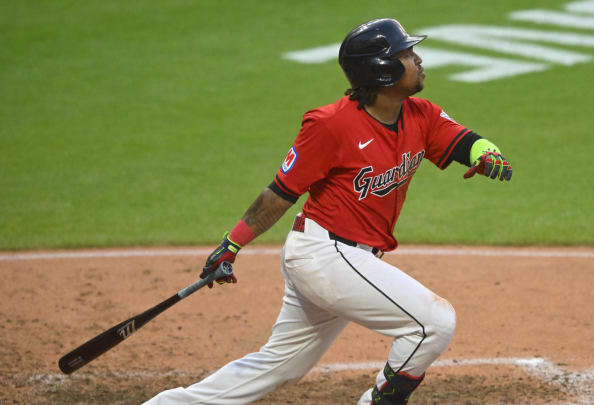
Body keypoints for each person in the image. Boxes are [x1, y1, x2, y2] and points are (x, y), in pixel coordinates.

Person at [143, 17, 511, 405]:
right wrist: (231, 245)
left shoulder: (420, 114)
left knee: (280, 365)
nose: (418, 59)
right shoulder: (331, 125)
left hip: (344, 258)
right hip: (324, 255)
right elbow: (280, 193)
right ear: (383, 71)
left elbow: (464, 141)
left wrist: (486, 154)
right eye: (406, 54)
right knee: (433, 323)